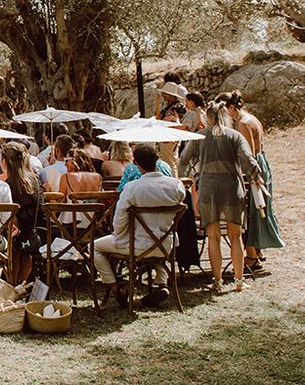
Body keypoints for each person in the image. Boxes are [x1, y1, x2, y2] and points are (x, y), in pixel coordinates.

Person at [178, 101, 262, 292]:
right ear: (225, 117)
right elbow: (248, 160)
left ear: (208, 117)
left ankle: (217, 281)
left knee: (213, 236)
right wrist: (257, 177)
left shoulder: (199, 137)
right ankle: (239, 281)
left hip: (209, 188)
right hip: (233, 187)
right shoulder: (235, 136)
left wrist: (188, 180)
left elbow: (183, 160)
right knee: (235, 236)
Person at [95, 144, 186, 307]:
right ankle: (162, 284)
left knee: (94, 247)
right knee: (155, 239)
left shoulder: (132, 188)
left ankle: (116, 288)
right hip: (166, 244)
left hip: (137, 244)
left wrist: (119, 236)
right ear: (157, 160)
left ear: (135, 163)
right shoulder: (176, 186)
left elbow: (119, 219)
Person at [216, 91, 284, 268]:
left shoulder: (243, 123)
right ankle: (257, 250)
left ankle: (252, 256)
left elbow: (249, 154)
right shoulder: (252, 118)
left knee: (251, 210)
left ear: (231, 108)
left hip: (254, 167)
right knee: (257, 207)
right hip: (263, 162)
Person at [2, 142, 43, 283]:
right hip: (35, 232)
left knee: (9, 234)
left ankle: (12, 283)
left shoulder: (8, 184)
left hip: (15, 236)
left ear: (4, 162)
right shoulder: (35, 180)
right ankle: (22, 283)